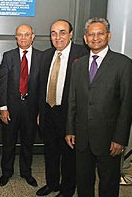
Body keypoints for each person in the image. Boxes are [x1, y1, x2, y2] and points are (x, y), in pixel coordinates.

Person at [65, 17, 132, 197]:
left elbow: (126, 105)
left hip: (109, 139)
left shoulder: (123, 64)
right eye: (91, 34)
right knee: (84, 182)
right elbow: (72, 100)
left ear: (108, 36)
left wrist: (120, 139)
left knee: (109, 184)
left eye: (100, 33)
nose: (95, 38)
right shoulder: (78, 65)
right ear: (85, 38)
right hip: (82, 137)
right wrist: (70, 130)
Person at [37, 20, 88, 197]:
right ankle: (52, 184)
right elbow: (40, 87)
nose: (57, 37)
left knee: (68, 156)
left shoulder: (83, 55)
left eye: (62, 32)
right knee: (50, 152)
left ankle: (67, 190)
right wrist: (39, 113)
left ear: (71, 34)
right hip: (48, 112)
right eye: (53, 33)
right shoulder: (46, 55)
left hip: (69, 115)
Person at [0, 24, 41, 188]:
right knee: (8, 143)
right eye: (20, 35)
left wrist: (40, 112)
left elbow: (43, 87)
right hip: (11, 109)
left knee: (28, 143)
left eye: (26, 34)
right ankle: (6, 172)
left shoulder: (41, 57)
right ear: (16, 37)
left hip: (31, 110)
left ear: (33, 36)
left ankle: (26, 172)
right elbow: (2, 84)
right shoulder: (8, 56)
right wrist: (3, 107)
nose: (23, 38)